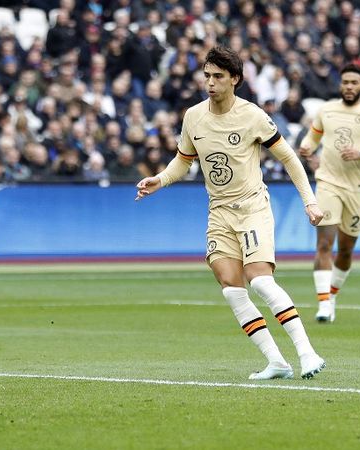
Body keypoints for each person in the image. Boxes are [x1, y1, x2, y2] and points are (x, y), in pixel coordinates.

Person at [135, 46, 327, 380]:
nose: (210, 82)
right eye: (207, 75)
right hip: (219, 212)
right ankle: (277, 362)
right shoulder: (194, 117)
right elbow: (184, 159)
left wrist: (309, 201)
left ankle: (308, 353)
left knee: (261, 282)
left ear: (234, 79)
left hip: (252, 206)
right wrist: (161, 179)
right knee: (231, 287)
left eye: (218, 77)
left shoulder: (252, 115)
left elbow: (289, 158)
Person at [298, 64, 360, 323]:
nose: (349, 87)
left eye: (354, 82)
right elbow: (312, 138)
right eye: (345, 82)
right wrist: (306, 148)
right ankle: (323, 305)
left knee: (346, 250)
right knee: (324, 244)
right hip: (328, 182)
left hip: (357, 188)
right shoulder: (326, 110)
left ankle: (332, 295)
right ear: (340, 84)